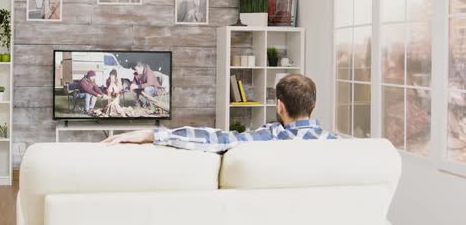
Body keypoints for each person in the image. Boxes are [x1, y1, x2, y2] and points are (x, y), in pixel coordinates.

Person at [102, 74, 338, 152]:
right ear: (313, 105)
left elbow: (216, 139)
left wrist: (153, 134)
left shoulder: (270, 138)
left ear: (279, 105)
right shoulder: (337, 145)